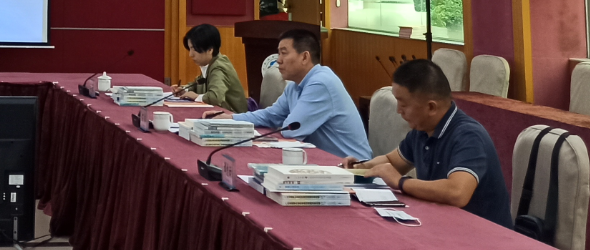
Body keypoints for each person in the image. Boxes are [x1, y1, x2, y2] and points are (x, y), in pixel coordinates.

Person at [342, 59, 512, 228]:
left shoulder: (468, 136)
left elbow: (457, 193)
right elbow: (392, 161)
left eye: (403, 104)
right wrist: (360, 167)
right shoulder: (422, 130)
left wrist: (401, 182)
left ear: (431, 107)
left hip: (483, 233)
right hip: (444, 225)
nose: (398, 110)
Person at [204, 29, 372, 160]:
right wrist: (231, 119)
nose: (278, 60)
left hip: (352, 169)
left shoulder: (321, 83)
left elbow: (291, 130)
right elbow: (271, 115)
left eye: (284, 53)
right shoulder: (295, 85)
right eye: (279, 53)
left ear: (304, 57)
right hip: (325, 163)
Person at [174, 24, 246, 113]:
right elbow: (200, 84)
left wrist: (196, 97)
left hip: (233, 117)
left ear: (210, 50)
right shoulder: (210, 63)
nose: (190, 54)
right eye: (190, 49)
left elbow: (215, 97)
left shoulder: (219, 67)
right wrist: (184, 90)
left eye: (194, 49)